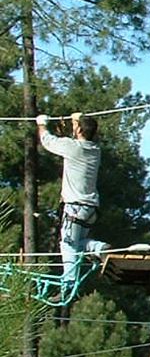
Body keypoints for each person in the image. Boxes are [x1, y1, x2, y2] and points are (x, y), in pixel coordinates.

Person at [37, 112, 108, 282]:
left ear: (79, 130)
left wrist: (42, 124)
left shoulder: (72, 147)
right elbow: (78, 135)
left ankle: (68, 282)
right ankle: (99, 248)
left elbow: (47, 141)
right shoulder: (95, 150)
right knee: (79, 243)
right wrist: (77, 120)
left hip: (74, 207)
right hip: (90, 208)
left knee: (68, 245)